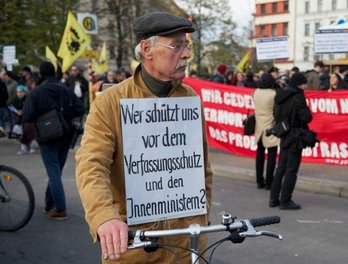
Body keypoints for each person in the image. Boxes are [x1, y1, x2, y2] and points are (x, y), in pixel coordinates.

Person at [75, 12, 213, 263]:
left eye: (187, 45)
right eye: (177, 45)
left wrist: (202, 217)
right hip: (135, 245)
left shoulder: (191, 99)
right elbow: (91, 165)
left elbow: (202, 167)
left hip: (187, 244)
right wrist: (104, 216)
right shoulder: (110, 102)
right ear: (147, 49)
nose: (186, 54)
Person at [23, 61, 84, 219]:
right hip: (66, 134)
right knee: (56, 171)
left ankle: (60, 208)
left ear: (41, 74)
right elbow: (80, 108)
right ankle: (49, 203)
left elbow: (28, 116)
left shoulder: (36, 92)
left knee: (53, 172)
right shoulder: (65, 89)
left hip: (47, 135)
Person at [269, 72, 312, 210]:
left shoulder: (280, 94)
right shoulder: (298, 97)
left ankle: (274, 198)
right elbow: (306, 117)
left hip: (283, 133)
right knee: (291, 169)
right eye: (305, 83)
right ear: (300, 84)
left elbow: (275, 114)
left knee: (280, 167)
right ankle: (285, 200)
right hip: (295, 135)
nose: (306, 86)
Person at [253, 73, 280, 190]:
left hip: (259, 127)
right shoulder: (274, 94)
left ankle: (259, 180)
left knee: (259, 155)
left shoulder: (255, 92)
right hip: (270, 127)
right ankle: (269, 181)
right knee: (271, 156)